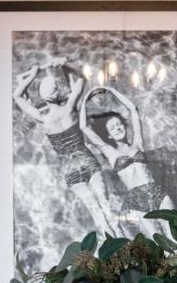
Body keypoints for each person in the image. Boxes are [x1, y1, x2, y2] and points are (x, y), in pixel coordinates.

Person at [13, 59, 118, 236]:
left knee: (96, 212)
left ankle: (111, 252)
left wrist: (32, 73)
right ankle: (124, 245)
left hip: (70, 169)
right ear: (58, 91)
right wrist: (64, 65)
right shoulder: (70, 107)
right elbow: (82, 78)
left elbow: (17, 96)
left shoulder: (42, 117)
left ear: (44, 97)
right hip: (88, 161)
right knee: (106, 206)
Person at [80, 87, 173, 228]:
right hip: (138, 201)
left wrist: (111, 89)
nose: (118, 128)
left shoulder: (137, 144)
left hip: (157, 193)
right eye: (113, 128)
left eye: (119, 124)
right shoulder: (110, 152)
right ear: (109, 135)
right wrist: (86, 97)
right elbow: (84, 127)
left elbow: (133, 110)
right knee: (158, 245)